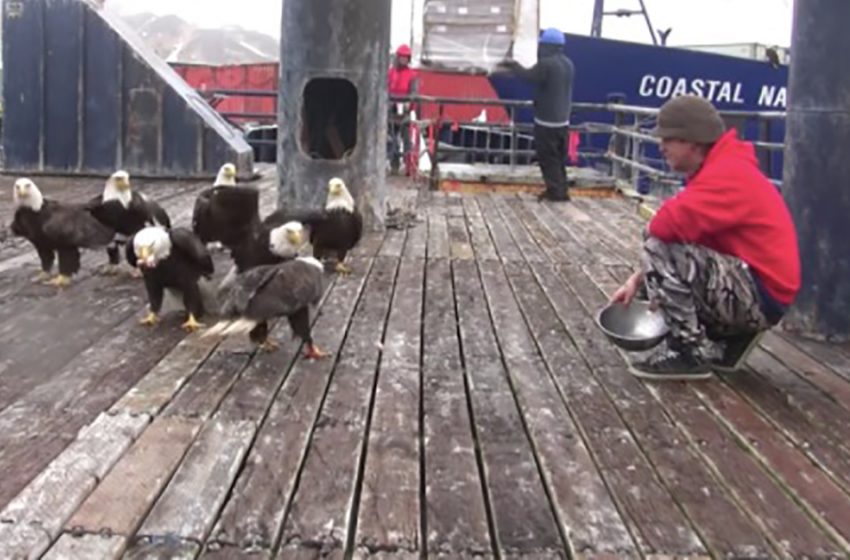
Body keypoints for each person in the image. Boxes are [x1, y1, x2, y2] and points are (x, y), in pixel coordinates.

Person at [610, 95, 800, 381]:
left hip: (761, 295)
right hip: (761, 290)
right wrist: (636, 280)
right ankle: (735, 338)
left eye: (669, 139)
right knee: (662, 261)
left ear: (693, 142)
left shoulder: (726, 176)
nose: (661, 146)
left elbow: (662, 227)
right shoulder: (723, 168)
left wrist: (649, 273)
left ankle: (685, 353)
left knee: (658, 247)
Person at [495, 28, 575, 201]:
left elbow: (528, 77)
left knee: (548, 158)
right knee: (559, 159)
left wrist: (512, 63)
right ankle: (562, 190)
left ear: (546, 46)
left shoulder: (546, 64)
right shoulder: (568, 64)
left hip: (547, 122)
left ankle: (556, 193)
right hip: (563, 121)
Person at [387, 44, 419, 175]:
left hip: (404, 113)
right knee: (392, 139)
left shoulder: (412, 75)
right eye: (402, 57)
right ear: (397, 57)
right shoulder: (390, 73)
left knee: (406, 140)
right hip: (391, 112)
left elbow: (414, 94)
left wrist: (408, 105)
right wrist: (389, 103)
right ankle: (394, 165)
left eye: (406, 58)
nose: (403, 60)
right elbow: (385, 89)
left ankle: (409, 166)